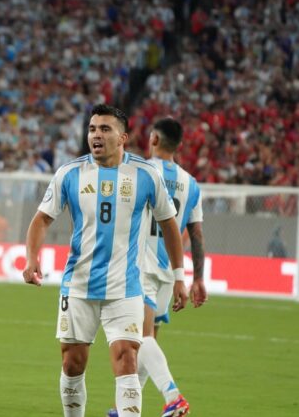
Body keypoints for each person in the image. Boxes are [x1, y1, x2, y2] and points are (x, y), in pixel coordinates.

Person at [22, 104, 188, 417]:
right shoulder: (70, 173)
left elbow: (169, 224)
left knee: (127, 358)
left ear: (122, 137)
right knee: (72, 363)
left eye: (104, 129)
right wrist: (32, 258)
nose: (96, 135)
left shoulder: (146, 175)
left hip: (126, 287)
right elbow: (41, 219)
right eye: (92, 129)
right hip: (79, 285)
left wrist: (179, 275)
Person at [107, 119, 208, 417]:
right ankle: (124, 406)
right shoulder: (191, 183)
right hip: (169, 272)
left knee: (140, 337)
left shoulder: (139, 170)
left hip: (140, 266)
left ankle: (173, 396)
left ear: (153, 139)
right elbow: (196, 234)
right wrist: (196, 278)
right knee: (145, 341)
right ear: (178, 145)